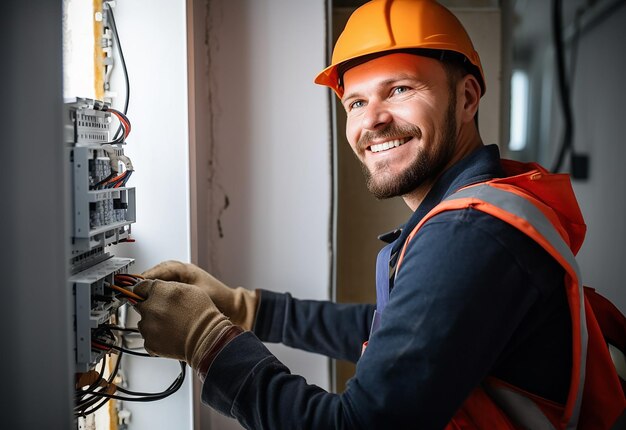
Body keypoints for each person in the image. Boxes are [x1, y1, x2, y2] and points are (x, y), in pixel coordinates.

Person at [133, 0, 625, 428]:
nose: (372, 120)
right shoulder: (475, 208)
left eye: (400, 90)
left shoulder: (469, 233)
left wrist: (206, 341)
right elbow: (392, 330)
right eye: (356, 102)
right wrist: (245, 307)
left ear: (467, 98)